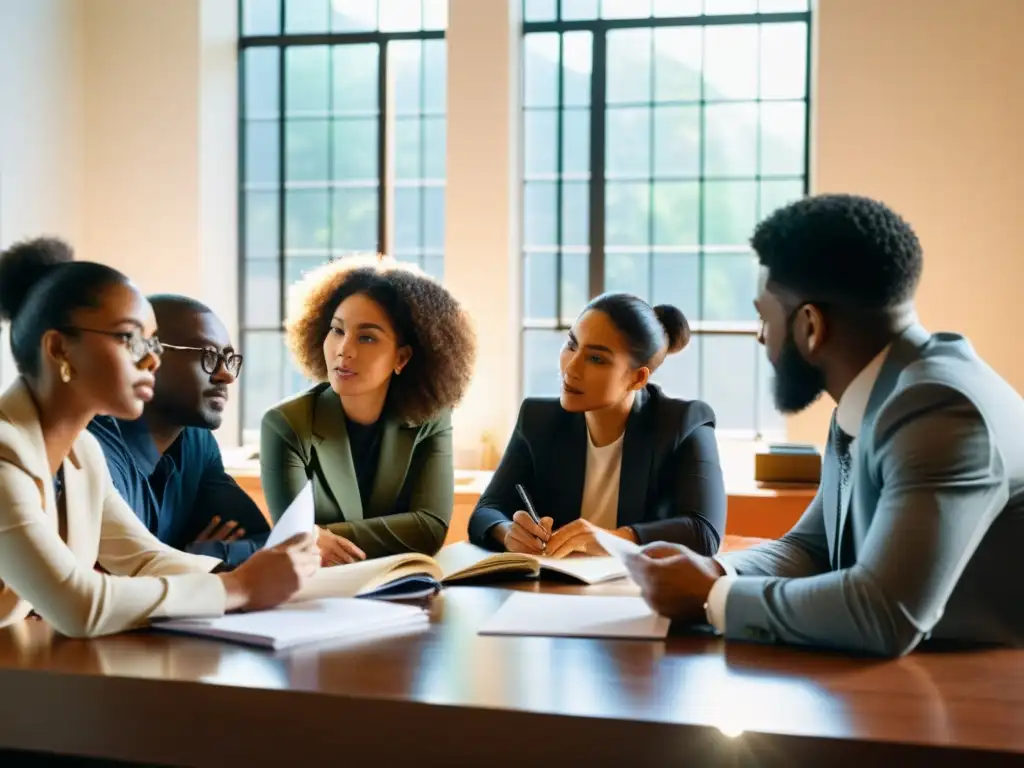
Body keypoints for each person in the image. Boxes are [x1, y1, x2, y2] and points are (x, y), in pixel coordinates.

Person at [624, 194, 1024, 656]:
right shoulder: (875, 396)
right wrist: (714, 572)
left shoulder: (939, 409)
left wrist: (710, 597)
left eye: (764, 319)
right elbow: (810, 549)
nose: (760, 337)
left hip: (986, 701)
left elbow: (883, 611)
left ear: (810, 326)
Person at [0, 237, 318, 638]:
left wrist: (297, 583)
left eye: (153, 342)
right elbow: (79, 605)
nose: (152, 360)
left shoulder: (82, 453)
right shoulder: (5, 453)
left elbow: (145, 560)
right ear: (60, 349)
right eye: (130, 339)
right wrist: (239, 586)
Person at [469, 293, 727, 559]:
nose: (571, 368)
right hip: (556, 588)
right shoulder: (538, 419)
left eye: (596, 359)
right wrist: (508, 531)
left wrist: (613, 539)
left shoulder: (684, 423)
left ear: (637, 378)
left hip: (640, 591)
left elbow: (704, 532)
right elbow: (487, 510)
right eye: (572, 344)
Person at [260, 255, 476, 564]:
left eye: (367, 337)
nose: (344, 348)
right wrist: (304, 537)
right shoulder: (285, 424)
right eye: (337, 330)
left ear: (401, 358)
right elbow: (293, 541)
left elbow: (429, 529)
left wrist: (318, 535)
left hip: (402, 587)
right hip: (319, 593)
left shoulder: (430, 419)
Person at [87, 294, 269, 569]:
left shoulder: (197, 441)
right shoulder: (93, 444)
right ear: (147, 356)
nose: (226, 375)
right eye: (208, 355)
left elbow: (263, 541)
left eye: (229, 359)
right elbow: (119, 572)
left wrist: (206, 554)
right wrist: (188, 561)